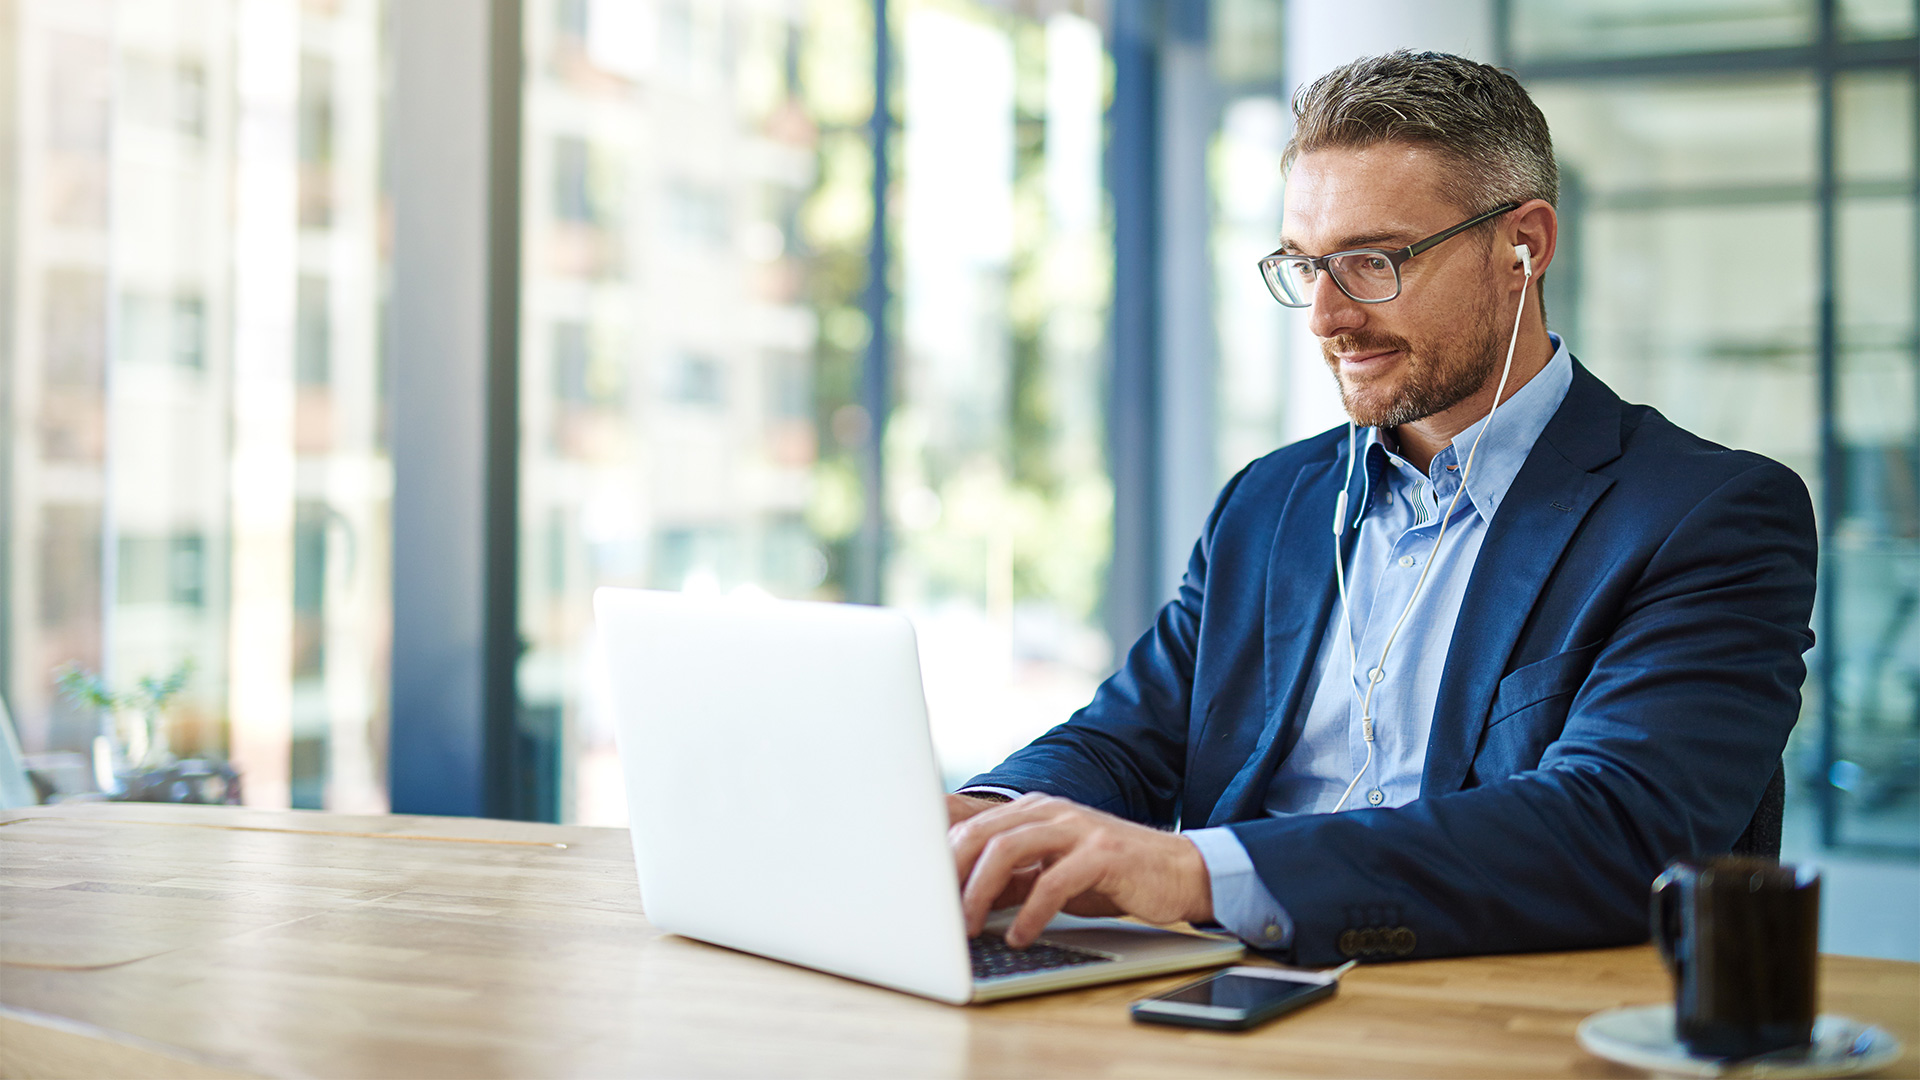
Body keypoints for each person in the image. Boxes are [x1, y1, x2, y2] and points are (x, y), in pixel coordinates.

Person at [946, 50, 1818, 967]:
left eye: (1371, 261)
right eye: (1303, 265)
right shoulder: (1269, 503)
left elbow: (1616, 831)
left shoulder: (1710, 515)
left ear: (1525, 244)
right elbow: (1129, 739)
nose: (1326, 317)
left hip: (1488, 1015)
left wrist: (1198, 873)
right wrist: (990, 821)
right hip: (1226, 999)